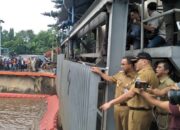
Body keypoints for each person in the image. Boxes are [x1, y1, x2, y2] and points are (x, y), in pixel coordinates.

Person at [100, 52, 159, 130]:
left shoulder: (144, 74)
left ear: (144, 62)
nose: (135, 64)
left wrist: (110, 103)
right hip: (141, 112)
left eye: (137, 62)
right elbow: (141, 91)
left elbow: (131, 94)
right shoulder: (150, 73)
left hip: (138, 113)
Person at [91, 56, 136, 130]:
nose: (121, 66)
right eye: (121, 64)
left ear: (130, 65)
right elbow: (110, 79)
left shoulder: (136, 77)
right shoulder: (120, 74)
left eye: (123, 64)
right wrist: (100, 72)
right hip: (117, 107)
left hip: (127, 108)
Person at [150, 60, 175, 130]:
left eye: (159, 67)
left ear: (166, 71)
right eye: (157, 67)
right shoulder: (158, 81)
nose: (156, 69)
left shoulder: (169, 83)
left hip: (166, 117)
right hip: (158, 115)